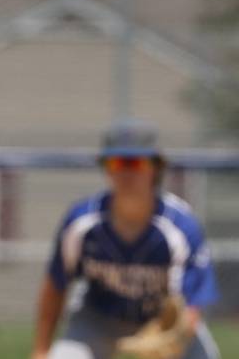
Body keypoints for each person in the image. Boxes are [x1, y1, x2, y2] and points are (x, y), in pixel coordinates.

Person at [31, 120, 220, 359]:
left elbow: (193, 304)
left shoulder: (181, 226)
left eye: (137, 162)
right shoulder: (82, 222)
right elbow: (56, 285)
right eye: (118, 162)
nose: (127, 171)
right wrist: (40, 349)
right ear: (106, 167)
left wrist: (176, 336)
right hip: (97, 319)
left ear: (155, 167)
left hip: (163, 321)